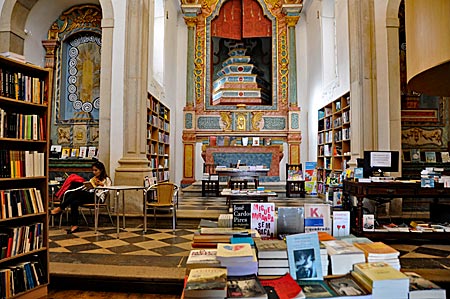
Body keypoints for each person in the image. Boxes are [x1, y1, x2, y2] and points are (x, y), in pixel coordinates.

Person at [50, 161, 112, 234]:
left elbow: (109, 190)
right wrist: (88, 185)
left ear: (101, 170)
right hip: (90, 195)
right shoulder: (93, 178)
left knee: (77, 193)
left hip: (98, 198)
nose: (94, 172)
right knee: (74, 202)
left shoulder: (106, 179)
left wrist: (102, 185)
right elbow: (88, 188)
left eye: (96, 170)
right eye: (93, 170)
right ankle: (74, 225)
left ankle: (60, 208)